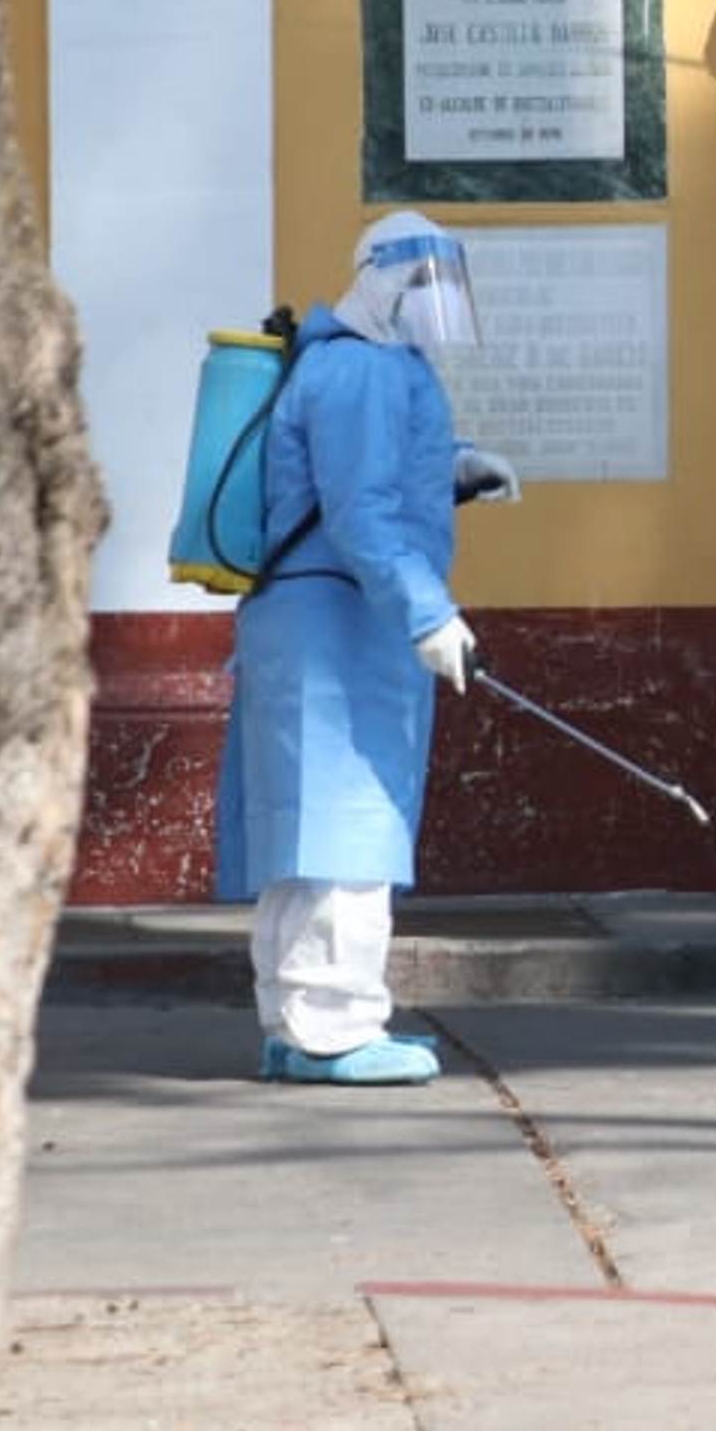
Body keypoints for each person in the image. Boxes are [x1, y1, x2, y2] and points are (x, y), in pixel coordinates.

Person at [216, 212, 516, 1083]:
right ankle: (335, 1030)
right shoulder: (361, 368)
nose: (436, 305)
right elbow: (362, 513)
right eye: (425, 285)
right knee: (345, 829)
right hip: (342, 626)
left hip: (323, 619)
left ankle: (297, 1021)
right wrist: (429, 612)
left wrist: (452, 467)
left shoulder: (358, 364)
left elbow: (362, 480)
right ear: (382, 281)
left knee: (308, 833)